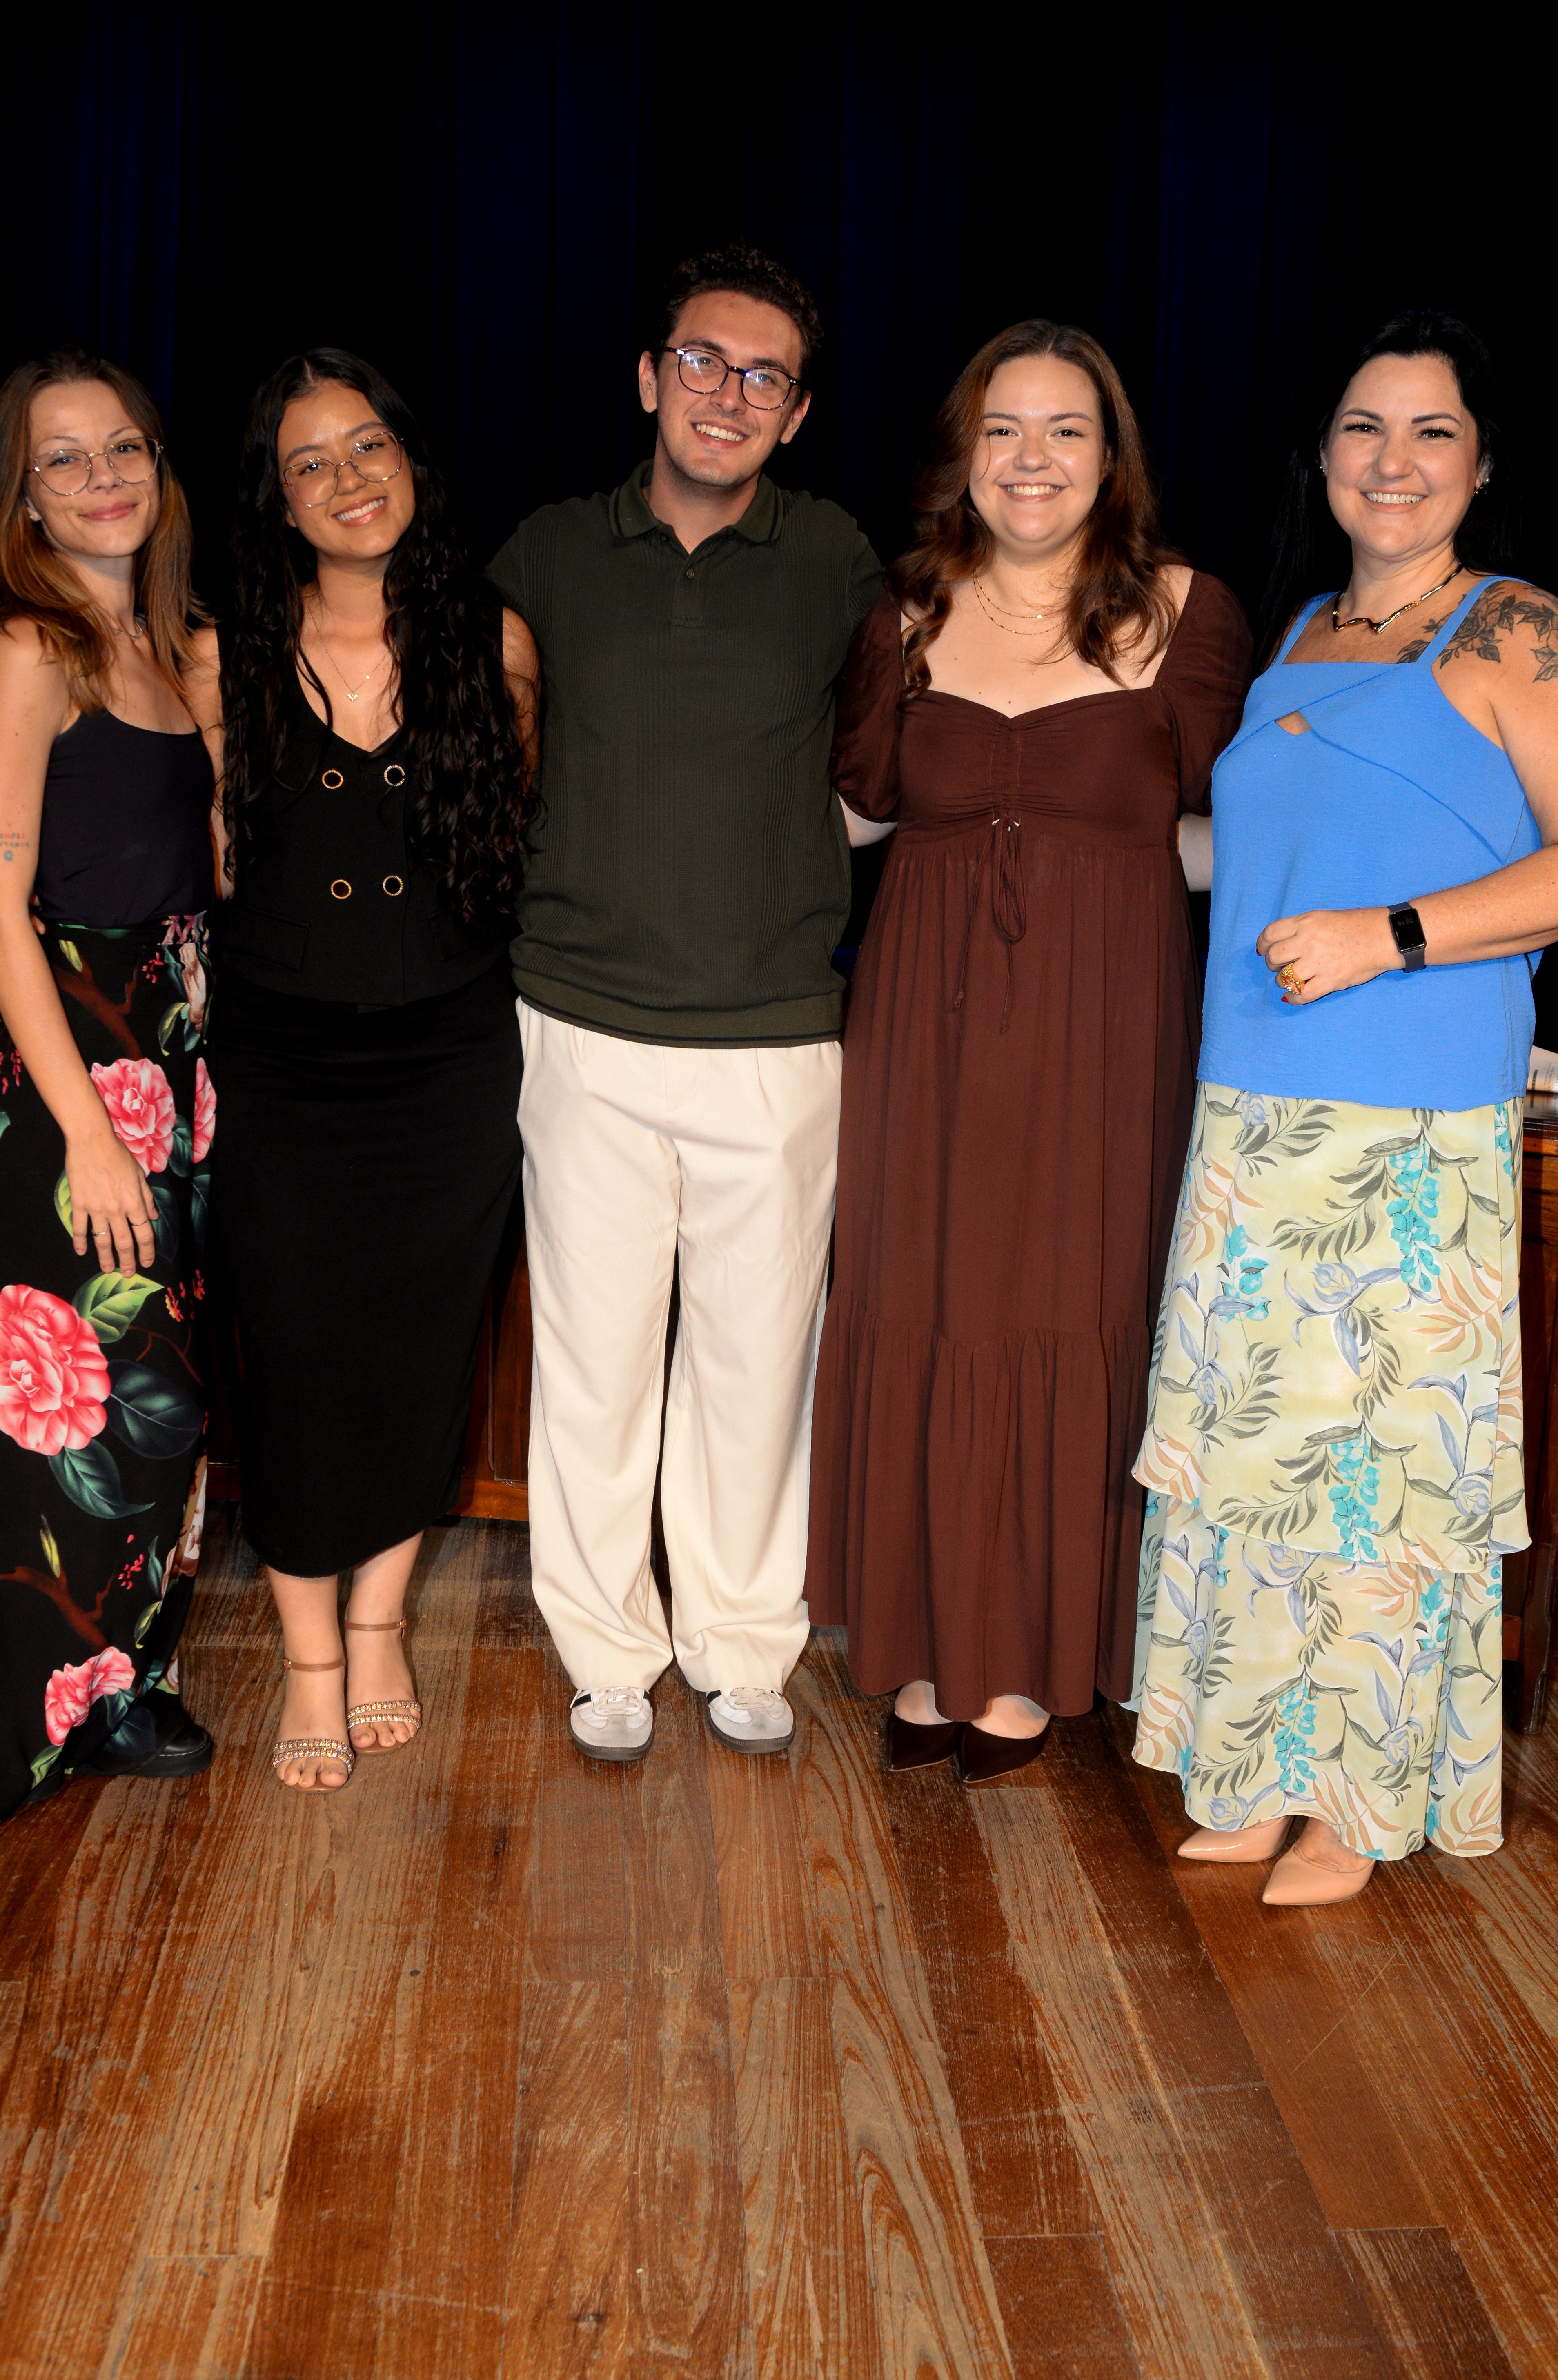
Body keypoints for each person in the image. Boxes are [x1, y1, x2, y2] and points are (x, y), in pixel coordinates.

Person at [1130, 311, 1556, 1903]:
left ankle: (1355, 1803)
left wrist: (1392, 935)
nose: (1393, 460)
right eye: (1363, 428)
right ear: (1319, 457)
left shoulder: (1512, 627)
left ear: (1479, 463)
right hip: (1248, 1104)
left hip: (1406, 1128)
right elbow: (1242, 858)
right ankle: (1252, 1769)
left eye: (1430, 430)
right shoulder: (1304, 627)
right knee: (1255, 1459)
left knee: (1372, 1473)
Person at [803, 321, 1252, 1784]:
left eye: (1066, 430)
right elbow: (854, 818)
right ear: (965, 452)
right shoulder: (904, 615)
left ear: (1110, 458)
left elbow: (1235, 835)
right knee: (925, 1300)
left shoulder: (1185, 612)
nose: (1032, 458)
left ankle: (1036, 1656)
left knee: (1069, 1302)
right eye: (1003, 429)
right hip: (921, 1030)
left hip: (1100, 1026)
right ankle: (927, 1639)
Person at [490, 244, 881, 1764]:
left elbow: (881, 767)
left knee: (755, 1366)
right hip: (579, 1017)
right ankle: (605, 1652)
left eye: (764, 376)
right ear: (650, 378)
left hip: (775, 1030)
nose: (729, 394)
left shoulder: (836, 561)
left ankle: (740, 1642)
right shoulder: (549, 552)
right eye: (703, 362)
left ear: (797, 413)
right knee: (592, 1365)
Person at [201, 350, 536, 1793]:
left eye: (368, 446)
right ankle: (310, 1658)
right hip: (280, 1058)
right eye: (310, 463)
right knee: (288, 1351)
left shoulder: (493, 639)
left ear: (411, 459)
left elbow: (509, 841)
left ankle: (381, 1621)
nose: (347, 479)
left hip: (447, 1054)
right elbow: (211, 864)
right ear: (276, 502)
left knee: (417, 1340)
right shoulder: (219, 655)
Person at [0, 349, 216, 1831]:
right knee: (74, 1403)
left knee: (154, 1396)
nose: (104, 476)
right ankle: (34, 1703)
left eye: (125, 447)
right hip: (83, 1072)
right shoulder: (30, 648)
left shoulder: (170, 650)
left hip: (176, 1057)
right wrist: (88, 1132)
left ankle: (115, 1679)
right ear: (25, 498)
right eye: (65, 457)